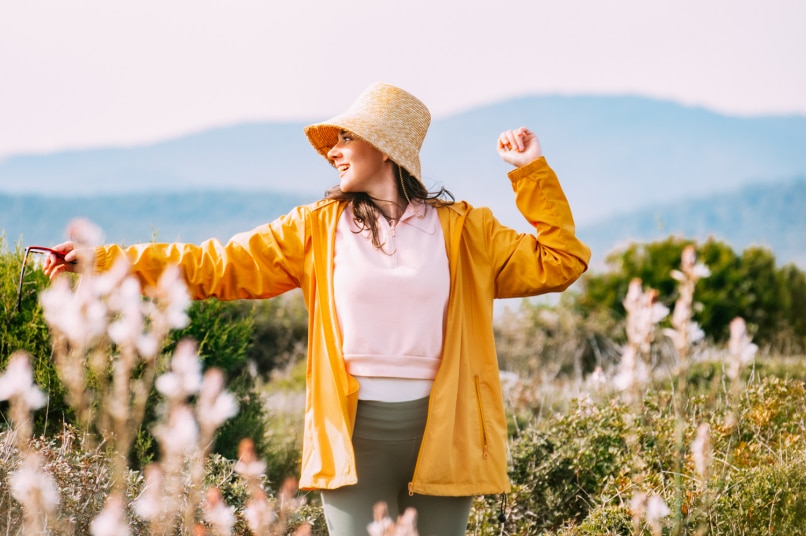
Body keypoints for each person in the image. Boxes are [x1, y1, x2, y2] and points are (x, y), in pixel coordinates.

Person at [44, 82, 590, 536]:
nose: (333, 150)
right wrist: (109, 262)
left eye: (346, 137)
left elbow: (560, 260)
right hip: (350, 434)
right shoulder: (315, 228)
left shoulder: (465, 230)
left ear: (385, 147)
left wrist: (530, 172)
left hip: (446, 430)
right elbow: (216, 265)